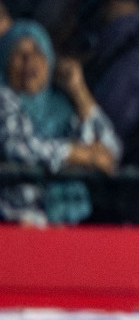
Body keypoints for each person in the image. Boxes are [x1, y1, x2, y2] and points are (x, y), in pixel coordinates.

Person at [0, 21, 119, 225]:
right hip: (17, 222)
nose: (29, 61)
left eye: (37, 52)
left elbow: (109, 150)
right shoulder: (4, 100)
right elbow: (19, 148)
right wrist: (77, 154)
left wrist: (78, 90)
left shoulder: (62, 107)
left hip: (66, 225)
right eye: (19, 53)